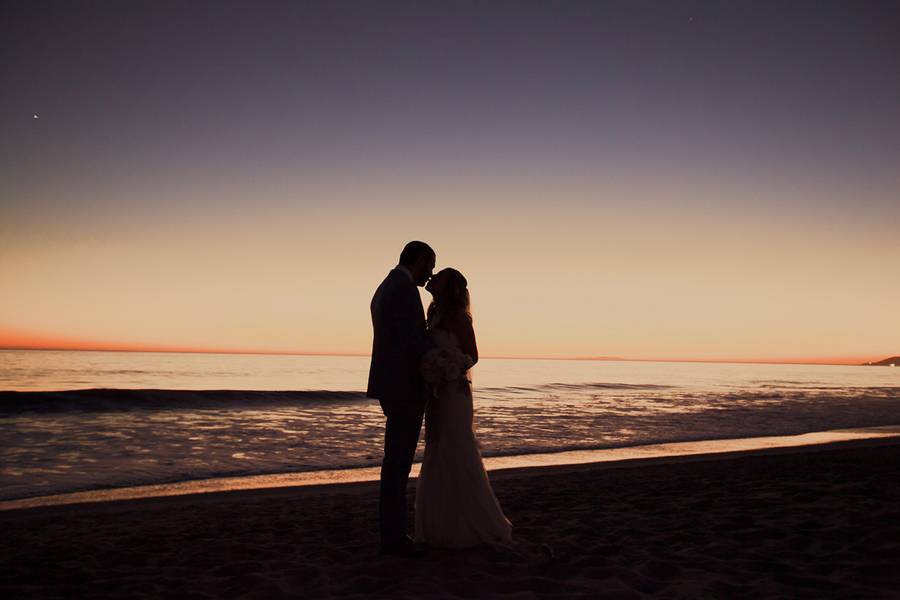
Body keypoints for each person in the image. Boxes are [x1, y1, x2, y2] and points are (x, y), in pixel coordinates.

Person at [414, 268, 512, 548]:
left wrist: (450, 367)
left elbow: (473, 356)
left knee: (455, 448)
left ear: (448, 287)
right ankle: (439, 525)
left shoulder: (459, 318)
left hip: (454, 394)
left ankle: (467, 523)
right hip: (436, 394)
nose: (432, 278)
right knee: (437, 448)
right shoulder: (432, 314)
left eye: (439, 277)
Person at [367, 241, 435, 557]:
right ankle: (393, 537)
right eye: (430, 264)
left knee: (394, 462)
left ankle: (391, 533)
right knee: (397, 463)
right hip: (404, 387)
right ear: (418, 259)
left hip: (391, 385)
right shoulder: (405, 290)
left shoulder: (386, 286)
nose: (431, 272)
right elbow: (413, 341)